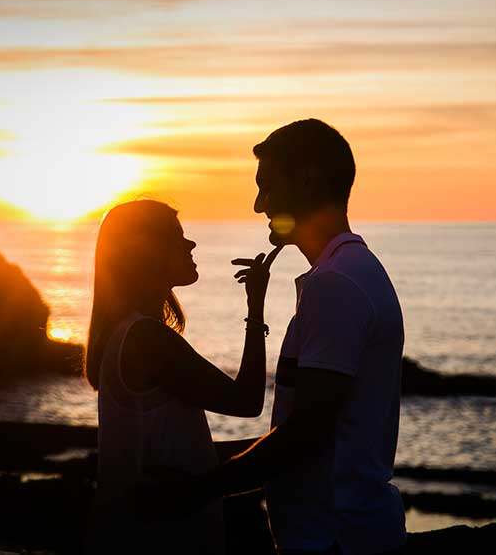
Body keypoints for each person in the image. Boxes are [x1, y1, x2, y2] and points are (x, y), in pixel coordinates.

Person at [161, 119, 407, 555]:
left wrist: (198, 489)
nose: (258, 205)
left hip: (336, 539)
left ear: (307, 180)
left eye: (267, 187)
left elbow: (306, 433)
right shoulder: (344, 274)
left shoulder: (337, 284)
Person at [84, 199, 282, 554]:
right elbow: (247, 400)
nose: (190, 245)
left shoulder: (127, 333)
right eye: (178, 237)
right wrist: (255, 308)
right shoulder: (147, 339)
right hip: (161, 538)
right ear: (147, 252)